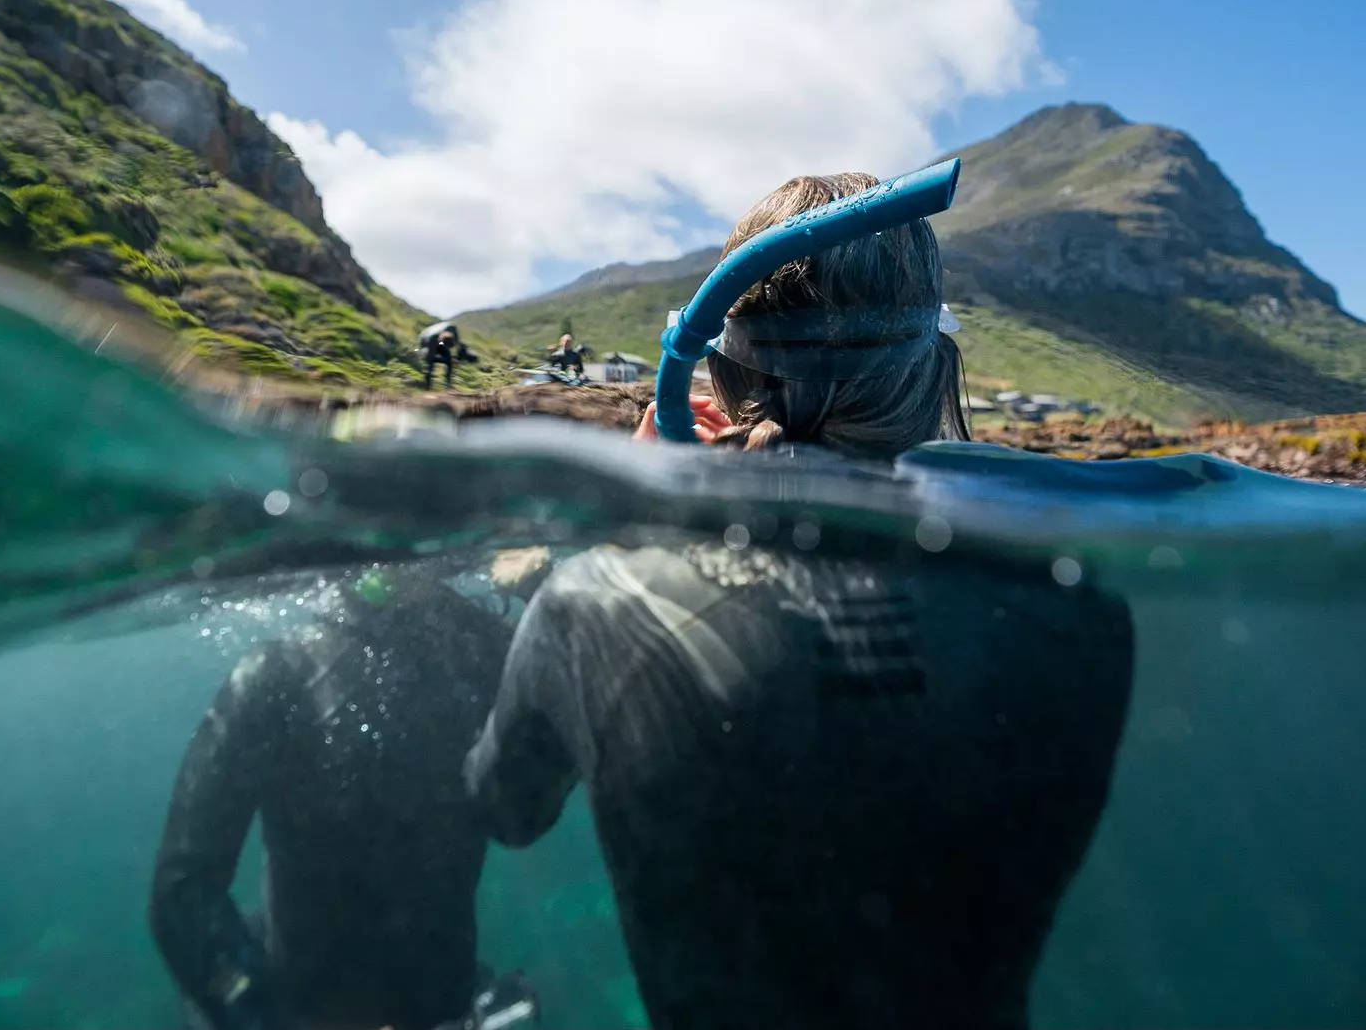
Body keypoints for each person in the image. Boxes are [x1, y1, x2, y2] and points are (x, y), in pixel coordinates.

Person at [463, 172, 1136, 1030]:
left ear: (712, 375)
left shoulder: (597, 601)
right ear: (936, 371)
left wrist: (632, 541)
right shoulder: (1078, 609)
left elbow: (506, 808)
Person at [150, 572, 520, 1030]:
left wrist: (537, 594)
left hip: (435, 1005)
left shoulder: (476, 659)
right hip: (323, 1006)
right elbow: (184, 892)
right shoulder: (278, 674)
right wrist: (266, 1018)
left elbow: (521, 813)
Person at [418, 322, 478, 390]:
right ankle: (427, 386)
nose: (449, 348)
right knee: (430, 362)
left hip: (440, 339)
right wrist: (435, 360)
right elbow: (430, 357)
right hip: (425, 340)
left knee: (449, 360)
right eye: (447, 346)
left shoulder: (453, 329)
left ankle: (448, 386)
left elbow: (459, 347)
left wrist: (457, 358)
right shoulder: (432, 340)